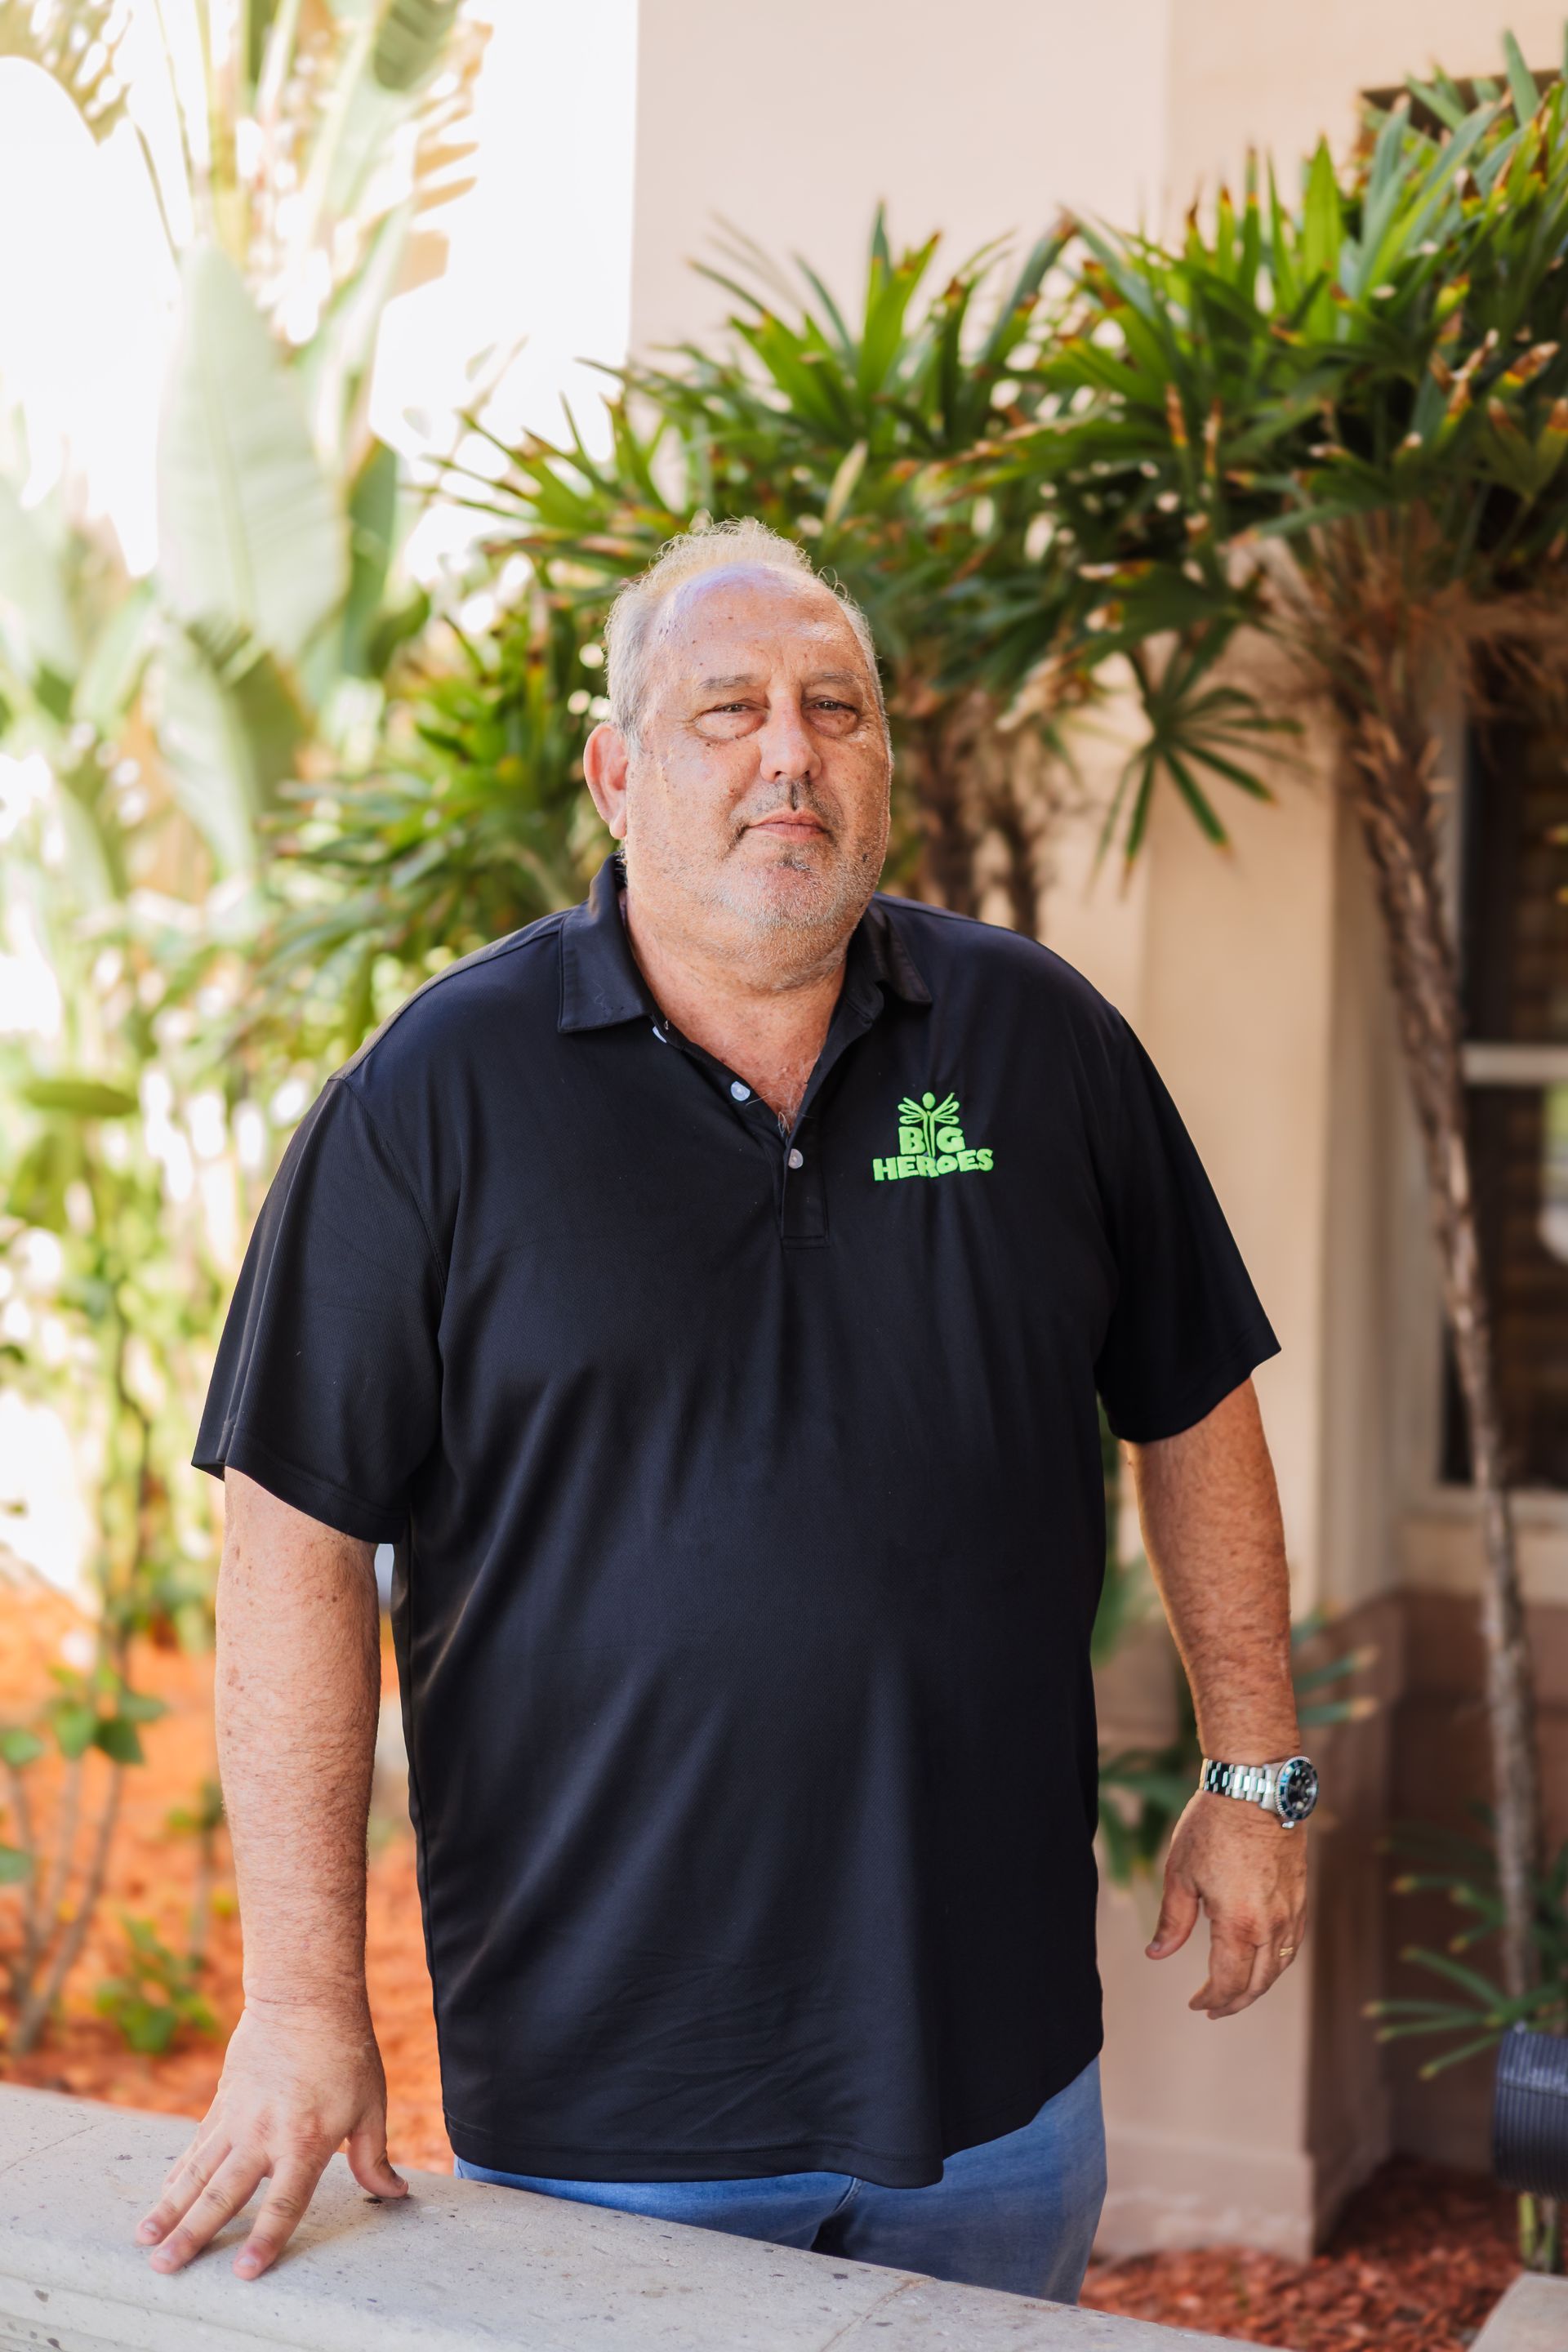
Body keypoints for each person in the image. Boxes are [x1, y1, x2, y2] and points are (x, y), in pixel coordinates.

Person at [137, 519, 1312, 2302]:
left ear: (882, 770)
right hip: (607, 2110)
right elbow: (294, 1538)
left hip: (995, 2089)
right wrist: (304, 2003)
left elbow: (1194, 1392)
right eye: (729, 711)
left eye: (834, 708)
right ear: (617, 773)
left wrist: (1253, 1768)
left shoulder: (1035, 1045)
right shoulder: (436, 1101)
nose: (790, 750)